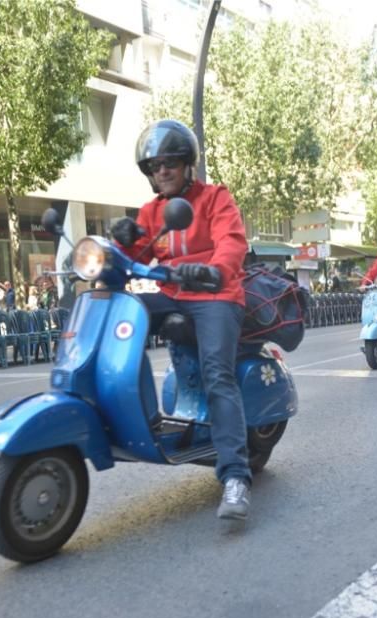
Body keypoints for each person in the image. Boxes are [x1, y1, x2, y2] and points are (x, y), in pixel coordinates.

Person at [110, 119, 252, 521]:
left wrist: (215, 271)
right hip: (170, 292)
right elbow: (138, 254)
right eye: (155, 166)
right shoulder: (152, 211)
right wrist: (121, 238)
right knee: (120, 322)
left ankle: (236, 476)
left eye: (170, 162)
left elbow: (232, 242)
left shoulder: (215, 198)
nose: (162, 171)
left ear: (187, 164)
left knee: (217, 374)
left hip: (216, 295)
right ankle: (138, 418)